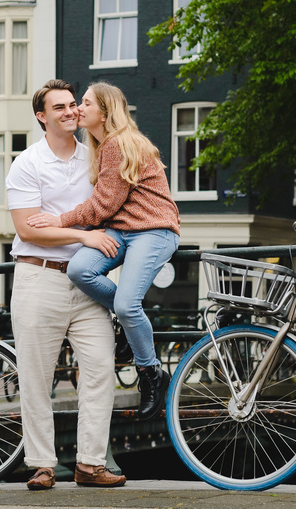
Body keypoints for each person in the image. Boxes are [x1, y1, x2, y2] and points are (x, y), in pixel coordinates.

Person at [26, 82, 180, 421]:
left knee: (126, 304)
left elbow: (104, 203)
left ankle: (151, 374)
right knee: (81, 270)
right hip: (121, 230)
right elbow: (110, 207)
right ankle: (130, 322)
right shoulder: (99, 145)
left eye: (85, 103)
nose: (78, 108)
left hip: (153, 230)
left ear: (105, 112)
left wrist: (60, 221)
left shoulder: (120, 143)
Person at [5, 79, 127, 490]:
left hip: (88, 282)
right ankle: (40, 464)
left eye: (74, 104)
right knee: (36, 376)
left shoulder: (94, 156)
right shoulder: (27, 164)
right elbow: (27, 228)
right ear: (42, 116)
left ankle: (90, 463)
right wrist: (84, 235)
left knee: (99, 369)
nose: (70, 111)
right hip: (39, 277)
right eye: (59, 107)